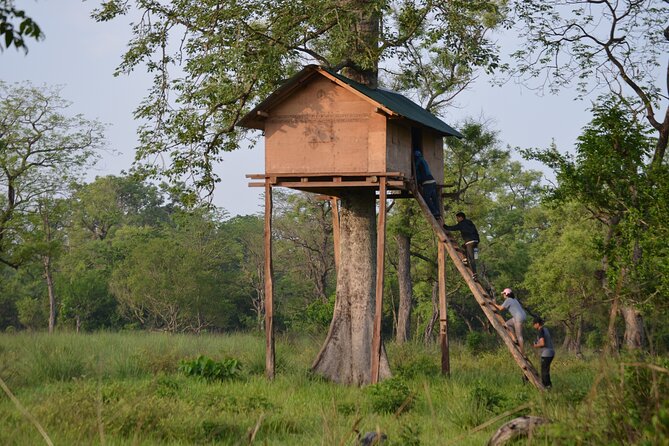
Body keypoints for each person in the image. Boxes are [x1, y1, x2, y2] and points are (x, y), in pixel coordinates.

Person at [443, 211, 479, 280]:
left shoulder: (461, 224)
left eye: (457, 218)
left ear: (461, 217)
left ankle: (475, 275)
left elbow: (453, 228)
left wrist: (445, 226)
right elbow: (475, 230)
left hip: (469, 242)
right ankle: (465, 259)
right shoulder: (470, 222)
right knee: (466, 248)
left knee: (472, 259)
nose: (457, 219)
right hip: (476, 242)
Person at [492, 288, 527, 353]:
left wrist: (493, 304)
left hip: (518, 318)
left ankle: (523, 352)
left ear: (507, 294)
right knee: (507, 324)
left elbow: (500, 308)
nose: (503, 295)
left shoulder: (508, 300)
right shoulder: (514, 299)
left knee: (519, 335)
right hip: (522, 316)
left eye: (504, 294)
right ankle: (514, 338)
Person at [413, 150, 441, 219]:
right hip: (432, 180)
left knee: (426, 198)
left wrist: (415, 178)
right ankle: (438, 213)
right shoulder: (424, 160)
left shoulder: (418, 161)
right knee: (434, 198)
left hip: (427, 182)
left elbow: (416, 170)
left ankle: (434, 211)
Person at [532, 317, 555, 389]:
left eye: (534, 324)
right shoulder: (546, 329)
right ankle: (548, 386)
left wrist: (535, 345)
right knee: (546, 371)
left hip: (546, 353)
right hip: (551, 352)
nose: (533, 326)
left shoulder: (540, 330)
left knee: (544, 372)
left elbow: (542, 343)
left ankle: (547, 387)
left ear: (538, 324)